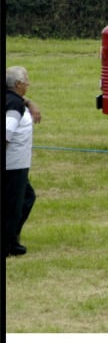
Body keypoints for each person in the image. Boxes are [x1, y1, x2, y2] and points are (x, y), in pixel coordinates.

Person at [5, 66, 39, 257]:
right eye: (26, 80)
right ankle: (7, 245)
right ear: (17, 84)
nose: (28, 83)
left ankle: (11, 240)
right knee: (12, 207)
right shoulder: (15, 106)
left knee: (26, 198)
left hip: (17, 164)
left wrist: (29, 102)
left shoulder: (15, 100)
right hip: (13, 166)